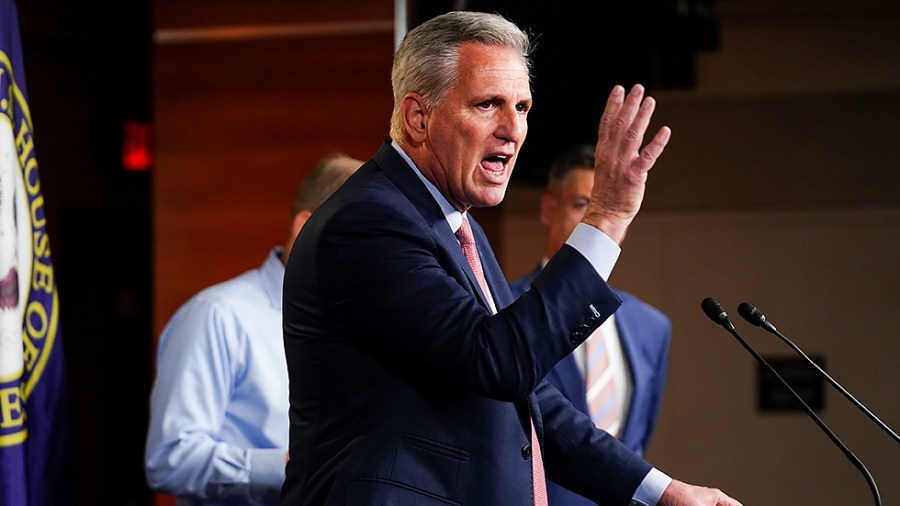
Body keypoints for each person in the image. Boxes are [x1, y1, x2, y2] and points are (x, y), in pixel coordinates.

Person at [282, 11, 742, 506]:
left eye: (522, 107)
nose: (514, 130)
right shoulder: (369, 222)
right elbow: (498, 361)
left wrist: (662, 492)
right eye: (488, 105)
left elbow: (533, 399)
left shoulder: (461, 229)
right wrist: (605, 217)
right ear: (418, 117)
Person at [145, 153, 362, 506]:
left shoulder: (366, 324)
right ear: (306, 229)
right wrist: (291, 466)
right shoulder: (216, 316)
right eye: (364, 240)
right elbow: (171, 460)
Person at [510, 143, 673, 505]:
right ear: (549, 209)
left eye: (612, 209)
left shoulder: (652, 326)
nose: (599, 221)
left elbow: (637, 441)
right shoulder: (504, 307)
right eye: (584, 205)